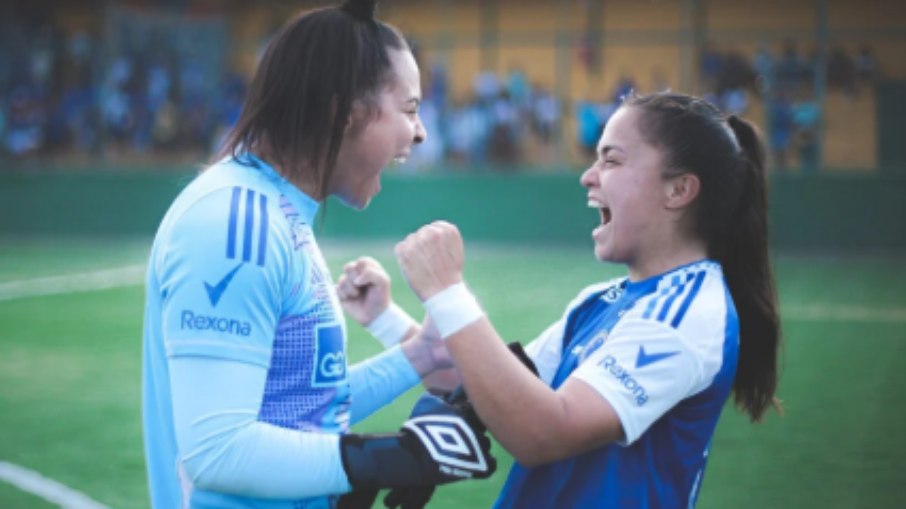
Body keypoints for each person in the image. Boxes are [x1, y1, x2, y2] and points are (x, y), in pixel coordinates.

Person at [140, 2, 495, 508]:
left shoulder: (277, 212)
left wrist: (422, 354)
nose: (420, 133)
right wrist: (391, 457)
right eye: (410, 109)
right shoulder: (237, 223)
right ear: (343, 110)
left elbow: (302, 406)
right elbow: (217, 450)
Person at [391, 91, 782, 508]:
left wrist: (450, 294)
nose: (588, 176)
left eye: (611, 160)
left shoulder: (686, 314)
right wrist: (385, 318)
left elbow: (544, 431)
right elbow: (489, 390)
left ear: (679, 189)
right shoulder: (601, 300)